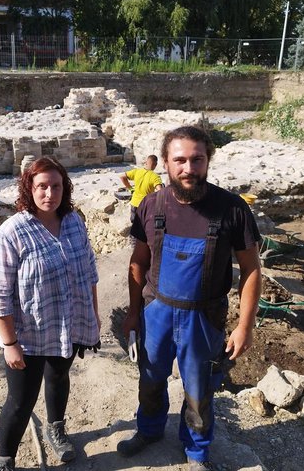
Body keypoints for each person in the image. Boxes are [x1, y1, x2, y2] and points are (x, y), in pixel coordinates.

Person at [117, 126, 262, 471]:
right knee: (150, 379)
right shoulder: (152, 205)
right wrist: (134, 313)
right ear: (165, 163)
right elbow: (138, 262)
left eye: (196, 159)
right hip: (157, 312)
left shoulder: (232, 209)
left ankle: (196, 451)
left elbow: (252, 270)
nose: (188, 168)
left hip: (204, 317)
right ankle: (149, 431)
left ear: (207, 160)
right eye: (179, 160)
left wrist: (245, 326)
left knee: (200, 390)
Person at [0, 157, 101, 471]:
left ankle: (56, 429)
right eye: (42, 187)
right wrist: (9, 343)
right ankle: (5, 459)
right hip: (28, 334)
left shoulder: (74, 221)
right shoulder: (11, 234)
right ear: (29, 189)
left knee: (59, 376)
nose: (49, 193)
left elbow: (88, 270)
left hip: (69, 322)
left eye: (56, 186)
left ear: (65, 187)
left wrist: (94, 314)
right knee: (21, 401)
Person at [119, 155, 164, 223]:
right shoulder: (155, 177)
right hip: (145, 205)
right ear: (155, 165)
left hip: (134, 203)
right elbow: (160, 191)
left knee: (134, 224)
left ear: (146, 162)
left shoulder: (137, 171)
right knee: (145, 225)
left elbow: (122, 176)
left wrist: (130, 188)